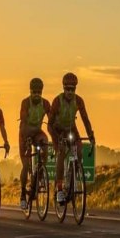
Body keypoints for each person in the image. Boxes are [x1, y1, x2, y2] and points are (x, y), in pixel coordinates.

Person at [48, 72, 96, 204]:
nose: (70, 91)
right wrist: (56, 137)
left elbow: (85, 119)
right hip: (57, 129)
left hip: (71, 128)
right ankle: (59, 189)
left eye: (73, 89)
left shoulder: (79, 100)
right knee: (62, 153)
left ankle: (71, 174)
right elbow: (50, 124)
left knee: (79, 152)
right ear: (63, 88)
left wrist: (91, 135)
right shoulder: (57, 101)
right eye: (67, 88)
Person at [18, 78, 51, 210]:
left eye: (39, 92)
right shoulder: (25, 102)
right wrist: (26, 139)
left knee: (45, 144)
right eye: (34, 92)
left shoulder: (46, 103)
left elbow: (51, 120)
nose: (37, 94)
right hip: (24, 132)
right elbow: (24, 121)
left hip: (37, 132)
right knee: (26, 165)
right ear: (30, 91)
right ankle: (22, 193)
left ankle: (40, 174)